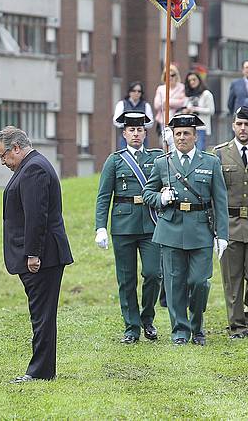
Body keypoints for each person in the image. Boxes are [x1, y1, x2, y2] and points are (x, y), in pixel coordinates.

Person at [0, 126, 72, 383]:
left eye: (3, 155)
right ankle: (42, 370)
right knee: (41, 314)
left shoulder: (34, 168)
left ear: (16, 148)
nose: (3, 161)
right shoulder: (31, 166)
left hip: (42, 257)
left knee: (42, 316)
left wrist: (33, 254)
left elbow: (37, 216)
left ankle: (40, 372)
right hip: (41, 255)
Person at [142, 114, 229, 345]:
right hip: (171, 228)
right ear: (172, 136)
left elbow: (220, 201)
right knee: (174, 283)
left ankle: (197, 325)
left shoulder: (210, 162)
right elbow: (147, 193)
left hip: (201, 229)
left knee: (200, 282)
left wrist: (223, 235)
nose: (181, 138)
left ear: (195, 136)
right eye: (177, 133)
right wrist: (161, 197)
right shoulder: (164, 162)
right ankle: (180, 330)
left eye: (186, 133)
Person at [95, 113, 163, 343]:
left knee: (154, 274)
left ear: (145, 133)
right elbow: (104, 196)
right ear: (124, 134)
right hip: (123, 225)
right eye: (131, 130)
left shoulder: (157, 158)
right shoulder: (114, 161)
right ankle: (131, 327)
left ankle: (147, 318)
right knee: (126, 279)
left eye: (140, 130)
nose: (136, 134)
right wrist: (100, 227)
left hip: (151, 224)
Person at [215, 106, 248, 339]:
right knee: (231, 279)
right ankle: (237, 326)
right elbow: (214, 192)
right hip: (229, 223)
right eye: (239, 124)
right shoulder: (220, 154)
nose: (243, 129)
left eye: (247, 124)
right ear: (233, 126)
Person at [112, 82, 154, 149]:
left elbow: (150, 123)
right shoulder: (122, 104)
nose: (136, 93)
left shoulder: (146, 105)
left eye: (139, 91)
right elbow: (116, 121)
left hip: (142, 140)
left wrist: (139, 124)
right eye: (134, 91)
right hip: (125, 139)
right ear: (129, 92)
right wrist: (128, 123)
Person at [183, 71, 215, 151]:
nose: (192, 82)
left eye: (194, 79)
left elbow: (211, 110)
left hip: (202, 127)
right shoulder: (189, 95)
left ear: (199, 80)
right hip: (190, 127)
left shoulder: (206, 94)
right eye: (190, 81)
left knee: (200, 151)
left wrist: (196, 109)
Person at [153, 65, 186, 129]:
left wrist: (168, 102)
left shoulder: (182, 87)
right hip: (163, 120)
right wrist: (173, 103)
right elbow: (156, 105)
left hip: (178, 120)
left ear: (176, 76)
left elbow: (183, 102)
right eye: (167, 75)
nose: (170, 77)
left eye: (173, 75)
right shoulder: (160, 88)